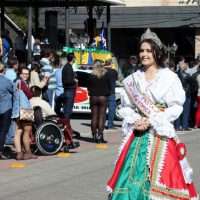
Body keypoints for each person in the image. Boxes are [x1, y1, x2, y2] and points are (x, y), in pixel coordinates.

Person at [107, 29, 198, 200]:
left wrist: (153, 119)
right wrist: (135, 119)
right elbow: (126, 107)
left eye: (149, 50)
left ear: (157, 52)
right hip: (138, 136)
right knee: (130, 181)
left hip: (159, 134)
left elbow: (176, 106)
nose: (144, 54)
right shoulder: (133, 79)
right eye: (142, 50)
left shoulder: (169, 78)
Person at [14, 67, 37, 160]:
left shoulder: (15, 82)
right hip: (25, 110)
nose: (26, 75)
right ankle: (28, 153)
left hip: (16, 110)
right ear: (20, 74)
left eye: (27, 74)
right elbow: (30, 95)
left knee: (18, 131)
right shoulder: (22, 83)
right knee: (27, 131)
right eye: (24, 73)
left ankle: (19, 154)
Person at [87, 61, 111, 143]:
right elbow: (109, 86)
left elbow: (88, 86)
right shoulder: (106, 75)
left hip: (93, 97)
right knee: (101, 117)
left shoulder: (91, 75)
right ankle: (100, 136)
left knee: (94, 116)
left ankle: (94, 135)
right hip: (103, 97)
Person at [0, 62, 14, 159]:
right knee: (3, 131)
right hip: (5, 108)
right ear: (3, 70)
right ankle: (0, 151)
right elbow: (14, 91)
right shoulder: (6, 81)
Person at [104, 59, 118, 129]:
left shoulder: (102, 71)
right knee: (112, 110)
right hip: (111, 93)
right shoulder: (114, 72)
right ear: (111, 64)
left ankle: (101, 124)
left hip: (103, 93)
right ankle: (110, 125)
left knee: (103, 110)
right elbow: (116, 79)